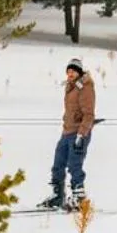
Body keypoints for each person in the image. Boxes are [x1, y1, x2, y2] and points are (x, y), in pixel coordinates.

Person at [40, 57, 96, 209]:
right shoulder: (71, 87)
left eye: (73, 71)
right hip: (67, 132)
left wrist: (81, 134)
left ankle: (79, 197)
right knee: (58, 164)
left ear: (79, 72)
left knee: (74, 165)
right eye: (68, 71)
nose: (70, 74)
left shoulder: (85, 87)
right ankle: (58, 196)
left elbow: (89, 114)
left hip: (79, 133)